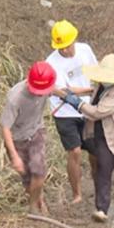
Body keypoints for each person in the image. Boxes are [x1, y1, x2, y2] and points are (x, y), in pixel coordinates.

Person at [61, 54, 114, 222]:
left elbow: (97, 112)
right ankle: (101, 208)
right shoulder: (101, 87)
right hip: (107, 134)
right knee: (103, 170)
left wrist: (76, 102)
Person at [45, 20, 98, 204]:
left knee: (94, 150)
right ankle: (77, 193)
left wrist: (95, 91)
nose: (67, 50)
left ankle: (98, 183)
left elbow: (95, 71)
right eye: (62, 47)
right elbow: (63, 91)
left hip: (87, 109)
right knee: (74, 151)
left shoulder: (85, 50)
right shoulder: (51, 63)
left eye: (68, 45)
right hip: (65, 111)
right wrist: (88, 91)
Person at [0, 61, 56, 214]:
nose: (39, 94)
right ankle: (38, 199)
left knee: (38, 171)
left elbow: (60, 91)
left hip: (36, 132)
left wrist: (78, 95)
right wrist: (14, 156)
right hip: (17, 138)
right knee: (27, 178)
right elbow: (5, 128)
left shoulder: (47, 86)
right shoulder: (15, 97)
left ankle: (33, 207)